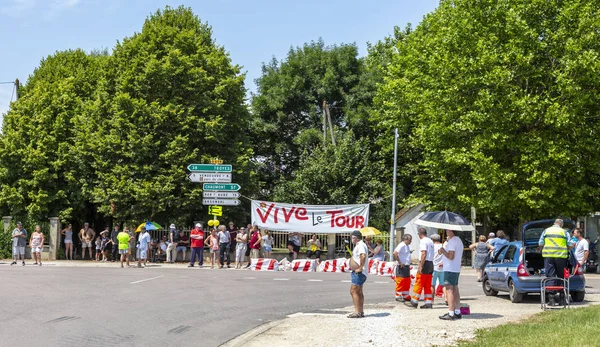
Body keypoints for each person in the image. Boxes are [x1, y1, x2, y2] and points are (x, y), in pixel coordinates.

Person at [537, 219, 575, 305]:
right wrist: (568, 248)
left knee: (551, 276)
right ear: (561, 225)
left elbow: (540, 243)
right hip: (561, 257)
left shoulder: (546, 231)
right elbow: (570, 245)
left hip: (548, 256)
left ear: (554, 223)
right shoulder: (564, 232)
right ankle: (562, 299)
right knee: (561, 276)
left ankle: (551, 300)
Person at [438, 229, 464, 320]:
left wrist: (443, 251)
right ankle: (457, 311)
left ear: (450, 230)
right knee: (455, 289)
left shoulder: (452, 241)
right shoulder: (458, 240)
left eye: (446, 230)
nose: (445, 232)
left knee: (449, 290)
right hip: (455, 268)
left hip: (450, 268)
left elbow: (451, 256)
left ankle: (451, 312)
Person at [407, 228, 435, 309]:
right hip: (430, 263)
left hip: (425, 263)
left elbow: (424, 253)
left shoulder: (423, 241)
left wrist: (421, 266)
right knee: (427, 284)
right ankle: (428, 302)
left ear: (419, 234)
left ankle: (414, 301)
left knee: (419, 282)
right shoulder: (430, 241)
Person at [348, 230, 368, 318]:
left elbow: (363, 255)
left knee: (353, 291)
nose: (351, 239)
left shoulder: (360, 245)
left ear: (354, 238)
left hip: (359, 272)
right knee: (359, 292)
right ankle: (360, 311)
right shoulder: (360, 245)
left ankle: (357, 312)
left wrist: (360, 267)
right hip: (359, 272)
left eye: (352, 237)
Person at [393, 234, 412, 302]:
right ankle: (398, 295)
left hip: (406, 265)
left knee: (406, 280)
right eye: (410, 240)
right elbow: (395, 253)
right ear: (406, 239)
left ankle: (405, 295)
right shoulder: (401, 245)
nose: (411, 241)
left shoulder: (407, 246)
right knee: (400, 280)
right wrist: (400, 262)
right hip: (402, 266)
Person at [431, 234, 447, 303]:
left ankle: (431, 300)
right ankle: (446, 298)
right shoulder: (443, 245)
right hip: (442, 267)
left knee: (432, 284)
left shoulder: (432, 246)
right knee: (443, 284)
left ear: (433, 240)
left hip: (434, 266)